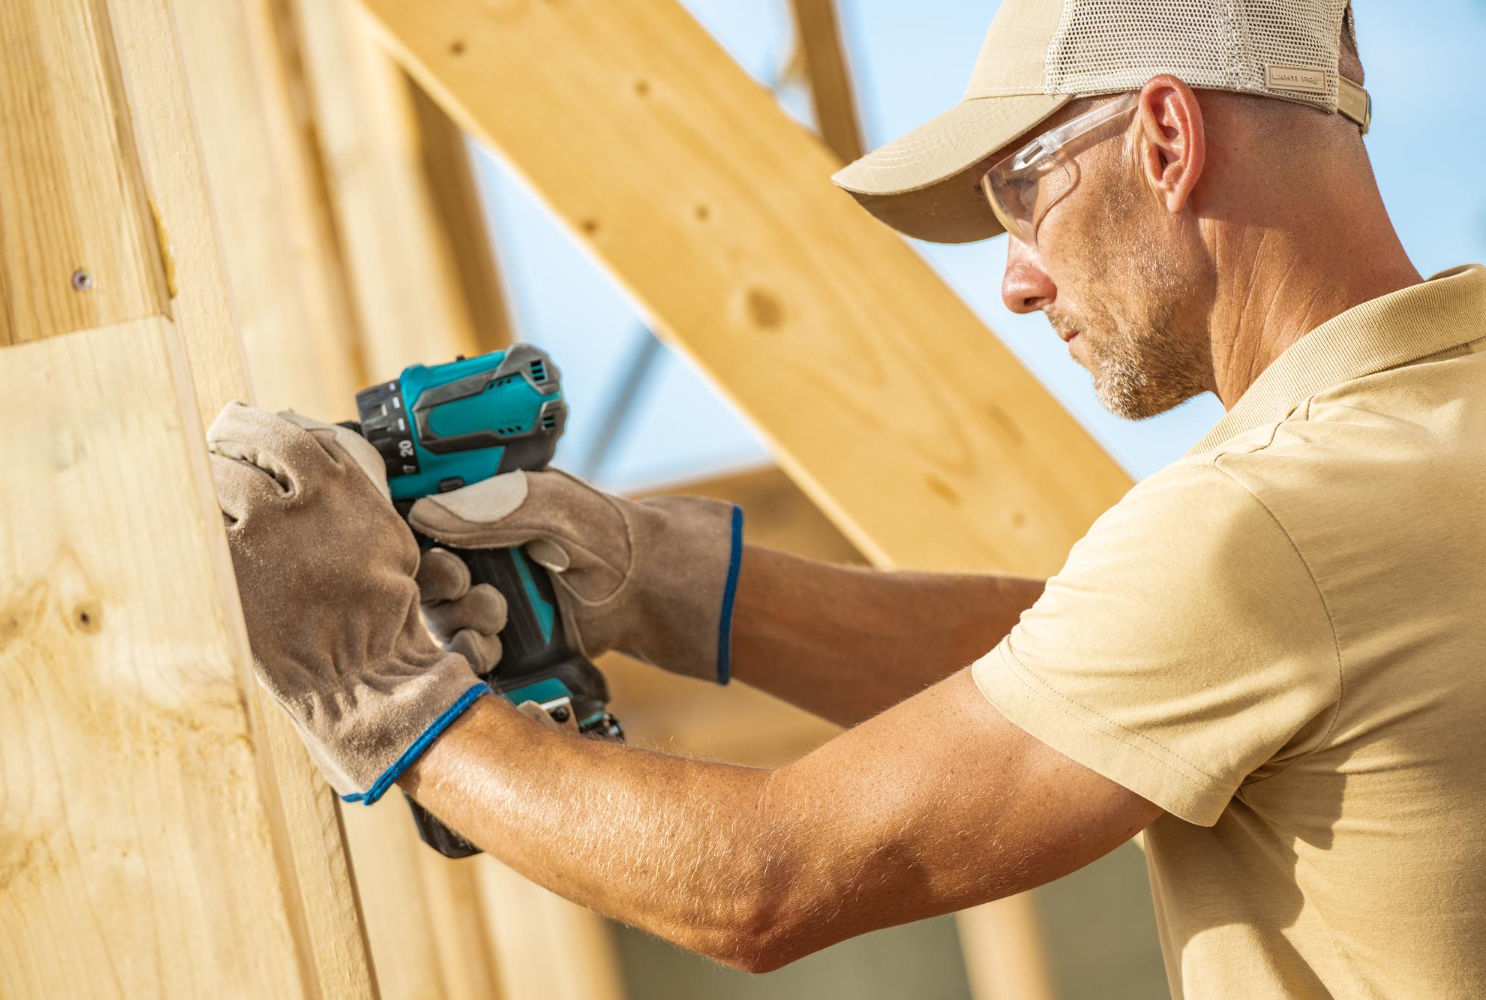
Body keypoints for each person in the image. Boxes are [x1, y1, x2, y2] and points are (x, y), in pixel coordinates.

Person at [207, 1, 1486, 996]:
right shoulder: (1418, 448)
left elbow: (766, 883)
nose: (1019, 281)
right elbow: (1101, 661)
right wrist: (662, 574)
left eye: (1018, 195)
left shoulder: (1266, 530)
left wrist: (378, 683)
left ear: (1164, 137)